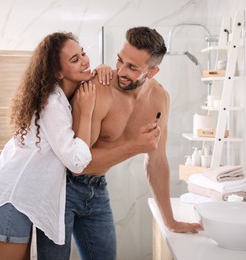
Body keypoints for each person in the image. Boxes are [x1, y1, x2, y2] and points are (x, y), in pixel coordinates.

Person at [0, 32, 161, 260]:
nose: (84, 60)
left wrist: (105, 69)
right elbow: (77, 162)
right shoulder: (52, 104)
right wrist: (87, 113)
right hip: (9, 198)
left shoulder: (63, 96)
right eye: (74, 60)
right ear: (58, 72)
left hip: (20, 200)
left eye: (82, 53)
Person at [37, 27, 203, 260]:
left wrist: (170, 220)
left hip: (97, 189)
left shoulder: (160, 99)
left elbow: (156, 161)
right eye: (119, 60)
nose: (120, 71)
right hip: (61, 188)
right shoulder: (98, 87)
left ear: (152, 71)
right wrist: (136, 145)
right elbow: (79, 166)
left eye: (132, 67)